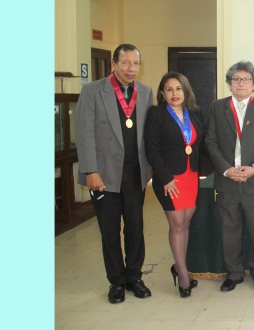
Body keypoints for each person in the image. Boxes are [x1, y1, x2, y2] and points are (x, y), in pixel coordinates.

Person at [75, 44, 153, 304]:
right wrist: (90, 170)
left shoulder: (145, 92)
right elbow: (84, 133)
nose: (131, 69)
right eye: (125, 63)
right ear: (113, 64)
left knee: (135, 227)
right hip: (104, 174)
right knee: (109, 231)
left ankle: (134, 277)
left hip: (135, 173)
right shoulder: (93, 91)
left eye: (136, 64)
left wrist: (150, 168)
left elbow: (147, 134)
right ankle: (116, 281)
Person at [205, 61, 254, 292]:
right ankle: (233, 273)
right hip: (227, 180)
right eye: (236, 79)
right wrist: (226, 169)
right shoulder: (217, 107)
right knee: (230, 230)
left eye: (246, 79)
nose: (241, 83)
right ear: (229, 83)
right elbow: (210, 142)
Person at [144, 72, 204, 298]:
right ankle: (183, 273)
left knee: (186, 221)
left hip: (191, 175)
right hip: (169, 178)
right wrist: (166, 177)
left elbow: (200, 145)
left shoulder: (194, 113)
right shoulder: (156, 114)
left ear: (185, 91)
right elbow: (152, 149)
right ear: (162, 93)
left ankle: (179, 266)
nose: (174, 93)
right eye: (169, 89)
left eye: (178, 88)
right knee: (177, 222)